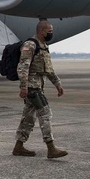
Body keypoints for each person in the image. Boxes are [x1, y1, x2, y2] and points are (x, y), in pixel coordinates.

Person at [13, 20, 68, 159]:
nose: (51, 33)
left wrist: (57, 84)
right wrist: (24, 87)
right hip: (32, 87)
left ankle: (18, 147)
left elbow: (48, 69)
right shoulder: (30, 45)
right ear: (41, 31)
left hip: (38, 86)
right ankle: (51, 148)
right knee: (45, 114)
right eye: (49, 31)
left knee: (28, 118)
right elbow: (23, 67)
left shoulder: (43, 46)